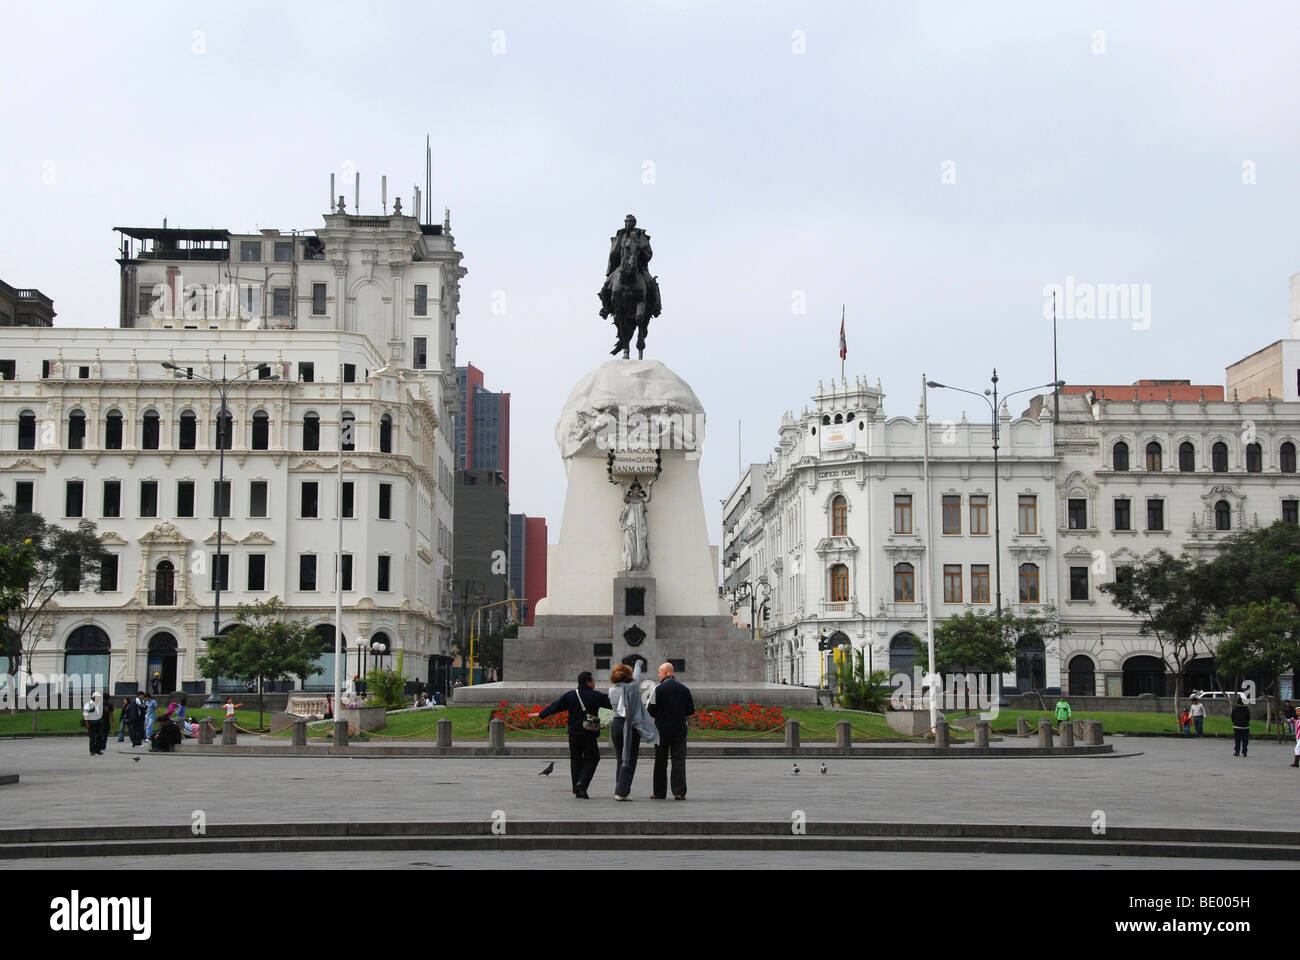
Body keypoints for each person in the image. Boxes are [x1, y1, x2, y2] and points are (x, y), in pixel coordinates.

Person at [533, 672, 612, 799]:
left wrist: (541, 714)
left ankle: (578, 789)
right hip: (589, 733)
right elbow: (612, 703)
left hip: (574, 733)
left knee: (575, 761)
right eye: (593, 680)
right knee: (593, 758)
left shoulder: (571, 695)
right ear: (587, 682)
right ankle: (582, 783)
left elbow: (556, 706)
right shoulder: (595, 695)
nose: (594, 683)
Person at [608, 660, 659, 801]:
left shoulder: (612, 689)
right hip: (628, 727)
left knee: (621, 758)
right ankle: (621, 792)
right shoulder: (631, 688)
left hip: (616, 725)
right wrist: (638, 665)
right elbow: (636, 677)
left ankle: (620, 788)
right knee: (629, 760)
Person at [648, 662, 694, 800]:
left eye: (659, 672)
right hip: (679, 729)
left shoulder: (658, 689)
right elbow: (690, 710)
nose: (658, 675)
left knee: (660, 761)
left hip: (661, 730)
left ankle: (659, 792)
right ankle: (679, 792)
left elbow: (650, 710)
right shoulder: (684, 689)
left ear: (666, 673)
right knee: (678, 760)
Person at [81, 691, 104, 756]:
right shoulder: (88, 704)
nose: (99, 698)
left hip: (98, 722)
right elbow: (85, 714)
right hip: (91, 723)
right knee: (92, 737)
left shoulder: (99, 704)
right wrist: (87, 722)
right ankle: (92, 750)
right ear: (94, 697)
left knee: (99, 736)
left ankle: (97, 749)